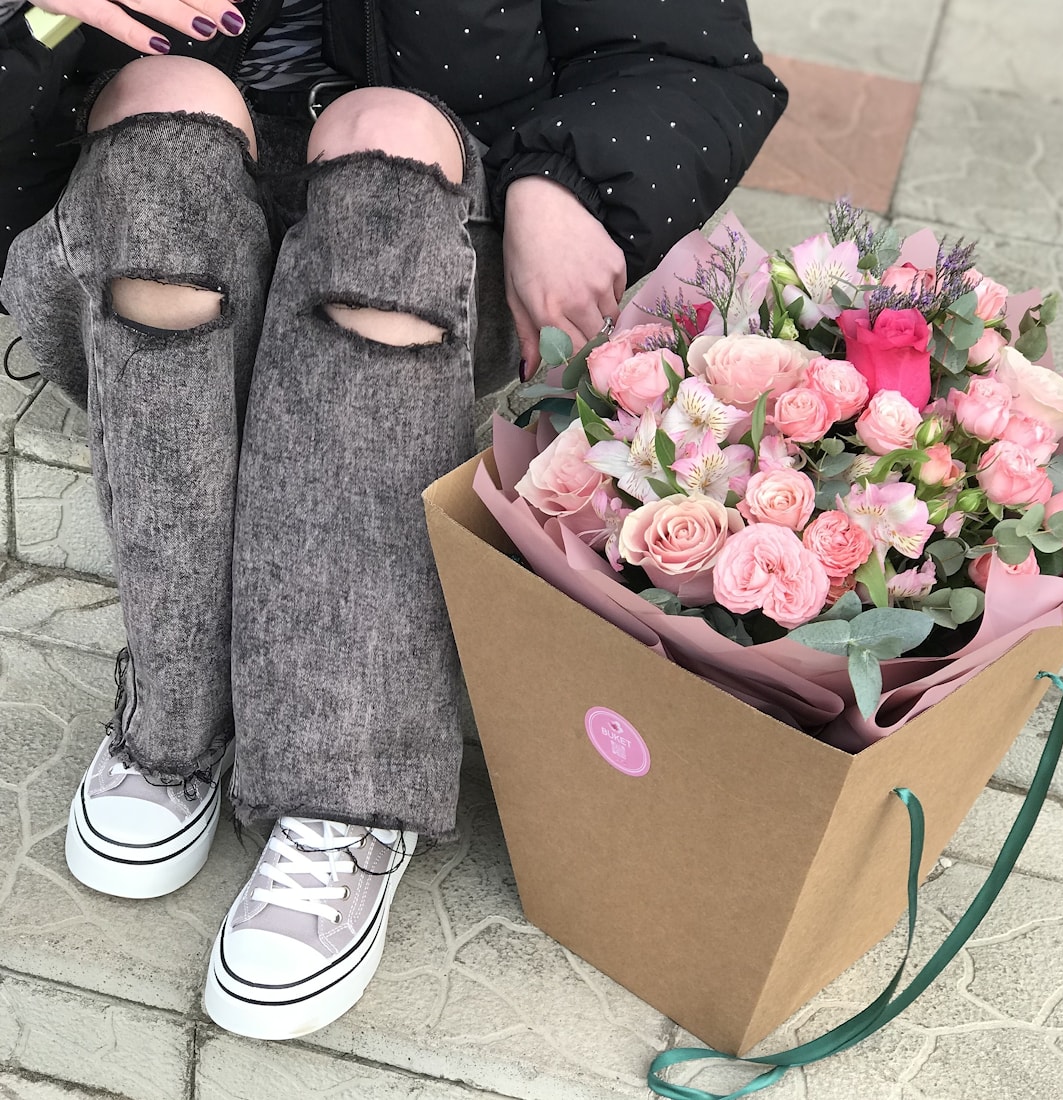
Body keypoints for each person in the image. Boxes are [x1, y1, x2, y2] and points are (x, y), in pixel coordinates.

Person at [0, 0, 785, 1041]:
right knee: (166, 102)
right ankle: (175, 715)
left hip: (434, 236)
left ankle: (349, 786)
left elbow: (691, 61)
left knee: (391, 138)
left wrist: (564, 182)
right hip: (128, 233)